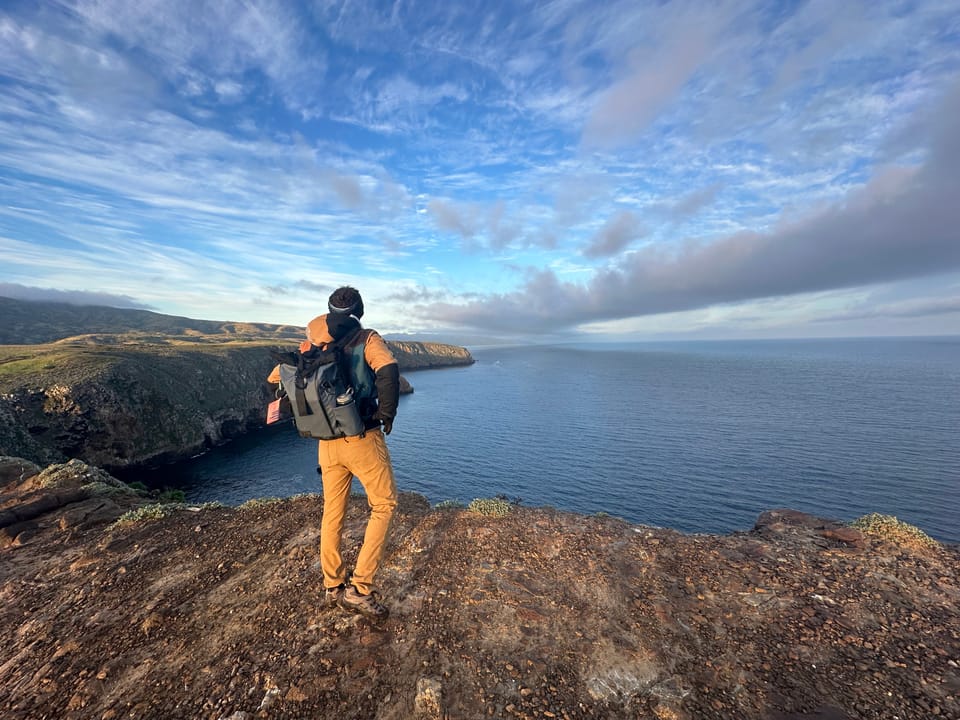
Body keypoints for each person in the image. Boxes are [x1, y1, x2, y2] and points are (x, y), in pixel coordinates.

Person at [268, 286, 399, 620]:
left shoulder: (314, 340)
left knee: (333, 512)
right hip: (361, 437)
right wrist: (387, 415)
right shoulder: (367, 338)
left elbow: (276, 378)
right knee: (383, 506)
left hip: (326, 443)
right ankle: (360, 589)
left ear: (329, 310)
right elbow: (387, 370)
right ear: (360, 309)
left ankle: (332, 584)